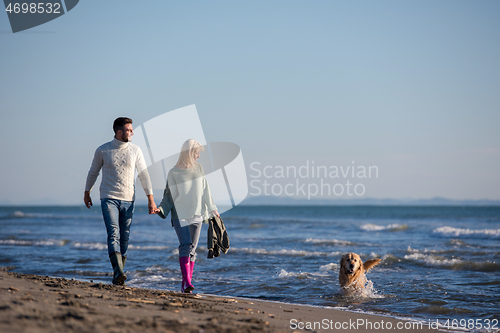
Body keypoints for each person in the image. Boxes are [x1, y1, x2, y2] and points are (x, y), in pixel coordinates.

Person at [84, 117, 157, 285]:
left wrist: (150, 199)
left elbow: (144, 174)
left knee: (125, 237)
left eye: (132, 130)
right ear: (118, 132)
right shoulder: (103, 150)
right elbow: (93, 172)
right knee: (113, 233)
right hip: (108, 197)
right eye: (129, 130)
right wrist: (87, 192)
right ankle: (118, 271)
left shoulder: (136, 150)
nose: (132, 133)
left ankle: (118, 275)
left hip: (128, 199)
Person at [157, 139, 219, 293]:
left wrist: (212, 209)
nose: (198, 156)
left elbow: (206, 190)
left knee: (192, 250)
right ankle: (187, 283)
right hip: (180, 214)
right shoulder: (174, 172)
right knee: (185, 246)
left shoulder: (199, 169)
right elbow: (169, 195)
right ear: (190, 152)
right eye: (197, 153)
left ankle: (186, 284)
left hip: (197, 213)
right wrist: (161, 209)